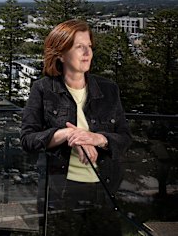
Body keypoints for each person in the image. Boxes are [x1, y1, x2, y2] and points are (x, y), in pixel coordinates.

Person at [20, 19, 132, 236]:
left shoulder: (109, 90)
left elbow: (125, 137)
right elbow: (27, 139)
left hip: (105, 190)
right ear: (60, 54)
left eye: (89, 46)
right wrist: (69, 134)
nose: (87, 52)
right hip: (61, 192)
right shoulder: (43, 89)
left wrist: (96, 139)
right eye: (79, 46)